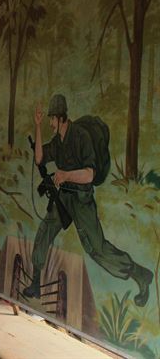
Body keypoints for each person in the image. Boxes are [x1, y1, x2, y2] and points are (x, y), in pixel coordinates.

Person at [23, 94, 153, 306]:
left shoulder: (81, 136)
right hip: (65, 196)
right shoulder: (58, 142)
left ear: (61, 117)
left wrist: (65, 175)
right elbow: (39, 158)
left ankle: (140, 274)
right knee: (45, 230)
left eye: (51, 119)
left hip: (82, 199)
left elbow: (90, 175)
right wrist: (37, 126)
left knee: (96, 249)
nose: (50, 123)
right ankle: (36, 283)